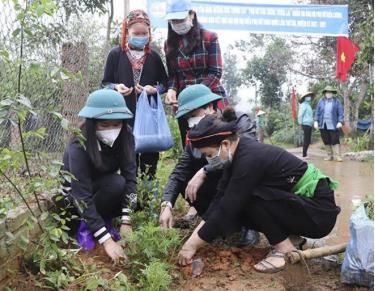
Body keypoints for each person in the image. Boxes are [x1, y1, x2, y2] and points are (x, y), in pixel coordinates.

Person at [177, 108, 341, 273]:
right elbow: (219, 201)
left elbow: (226, 208)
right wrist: (191, 241)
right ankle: (293, 239)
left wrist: (192, 245)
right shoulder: (237, 155)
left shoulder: (249, 158)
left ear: (225, 144)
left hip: (319, 214)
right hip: (302, 206)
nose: (208, 159)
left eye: (209, 154)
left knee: (247, 199)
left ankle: (284, 250)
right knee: (235, 200)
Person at [159, 84, 259, 247]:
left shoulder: (238, 120)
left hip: (237, 179)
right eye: (187, 118)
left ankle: (249, 223)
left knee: (243, 173)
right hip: (217, 187)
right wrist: (167, 204)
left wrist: (205, 170)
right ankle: (215, 220)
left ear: (210, 107)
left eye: (194, 115)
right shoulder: (195, 137)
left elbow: (247, 155)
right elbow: (178, 172)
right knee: (186, 180)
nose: (191, 121)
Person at [61, 89, 137, 262]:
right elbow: (81, 196)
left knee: (121, 184)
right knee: (114, 185)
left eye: (116, 124)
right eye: (104, 125)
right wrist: (107, 241)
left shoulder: (126, 136)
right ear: (92, 123)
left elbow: (131, 177)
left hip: (102, 189)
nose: (112, 129)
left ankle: (104, 221)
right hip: (75, 198)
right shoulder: (78, 144)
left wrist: (127, 220)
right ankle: (85, 227)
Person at [102, 9, 168, 178]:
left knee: (149, 161)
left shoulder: (154, 57)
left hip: (148, 118)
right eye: (136, 33)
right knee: (127, 160)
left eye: (144, 33)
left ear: (149, 33)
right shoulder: (116, 54)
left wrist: (155, 89)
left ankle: (146, 199)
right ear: (127, 32)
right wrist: (116, 87)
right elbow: (105, 83)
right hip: (123, 115)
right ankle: (128, 199)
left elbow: (165, 84)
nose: (140, 36)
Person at [163, 0, 228, 146]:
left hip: (210, 98)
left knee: (216, 143)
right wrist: (171, 89)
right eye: (174, 20)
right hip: (184, 104)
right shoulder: (169, 45)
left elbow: (215, 72)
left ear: (192, 15)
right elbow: (173, 74)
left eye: (181, 19)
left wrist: (197, 95)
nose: (177, 23)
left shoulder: (209, 38)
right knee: (191, 145)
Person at [314, 86, 344, 162]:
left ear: (332, 93)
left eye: (330, 92)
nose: (328, 94)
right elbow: (317, 112)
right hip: (323, 124)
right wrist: (316, 121)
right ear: (325, 93)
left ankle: (337, 156)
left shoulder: (336, 101)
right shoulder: (321, 101)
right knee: (326, 140)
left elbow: (340, 113)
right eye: (327, 92)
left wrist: (340, 121)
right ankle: (329, 156)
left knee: (335, 140)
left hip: (333, 124)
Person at [298, 92, 315, 159]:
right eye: (308, 96)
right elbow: (300, 115)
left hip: (309, 124)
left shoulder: (308, 105)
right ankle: (304, 154)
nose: (309, 97)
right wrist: (300, 123)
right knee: (306, 139)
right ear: (304, 98)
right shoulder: (303, 105)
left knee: (308, 139)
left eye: (310, 96)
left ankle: (305, 153)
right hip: (305, 124)